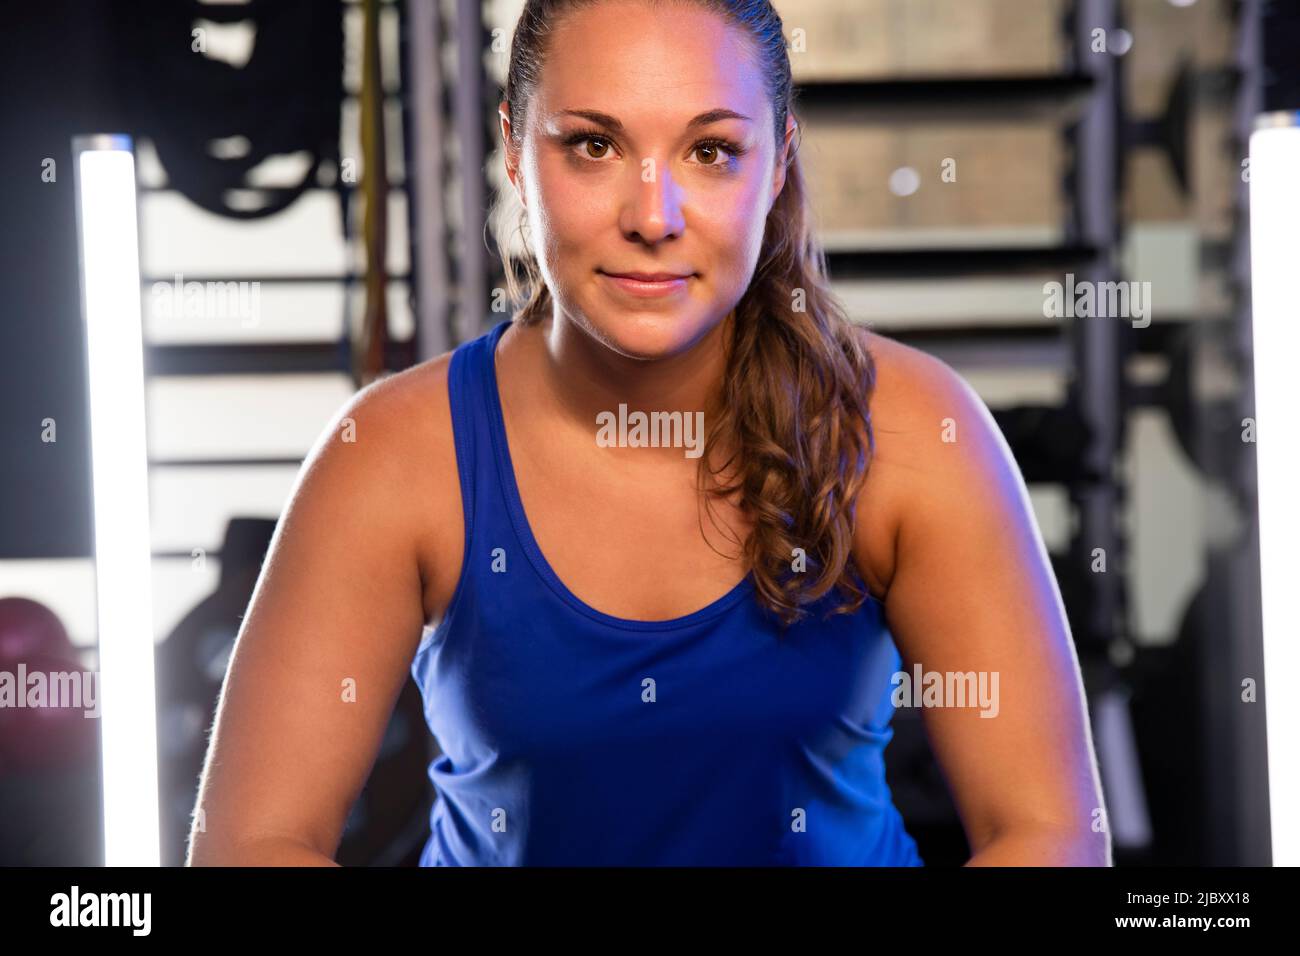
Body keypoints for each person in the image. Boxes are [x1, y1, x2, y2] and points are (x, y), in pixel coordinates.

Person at [188, 0, 1109, 866]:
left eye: (711, 152)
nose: (653, 218)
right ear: (514, 149)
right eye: (593, 145)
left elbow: (1046, 834)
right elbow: (254, 845)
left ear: (779, 160)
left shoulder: (913, 429)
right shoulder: (394, 454)